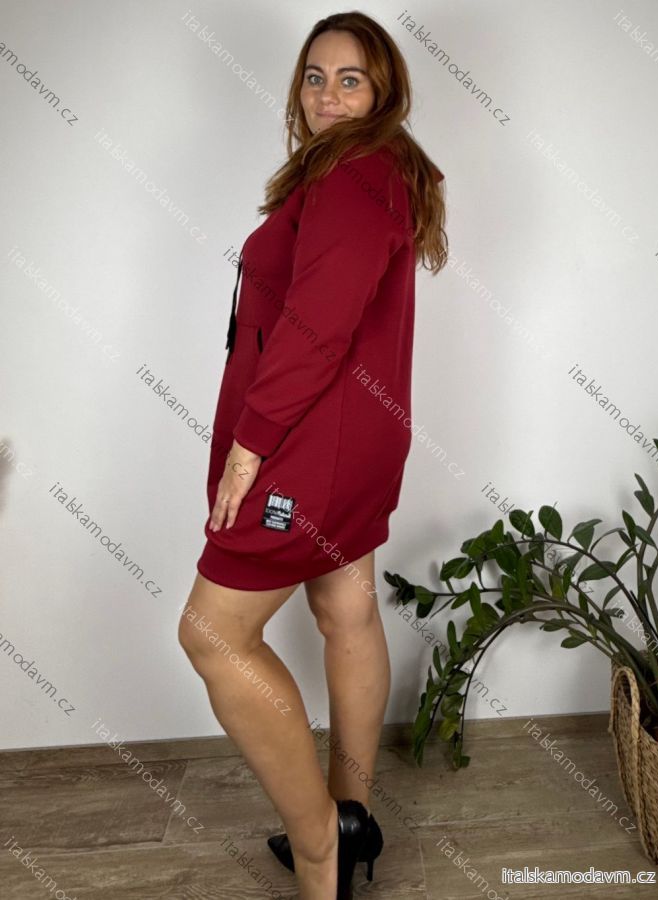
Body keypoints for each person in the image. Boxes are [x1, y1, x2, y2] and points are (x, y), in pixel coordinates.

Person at [178, 10, 447, 899]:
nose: (327, 95)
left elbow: (316, 325)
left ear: (383, 92)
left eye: (351, 79)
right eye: (314, 76)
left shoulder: (355, 173)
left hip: (308, 443)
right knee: (345, 609)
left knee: (212, 633)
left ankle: (322, 848)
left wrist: (249, 447)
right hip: (351, 440)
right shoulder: (376, 169)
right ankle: (352, 815)